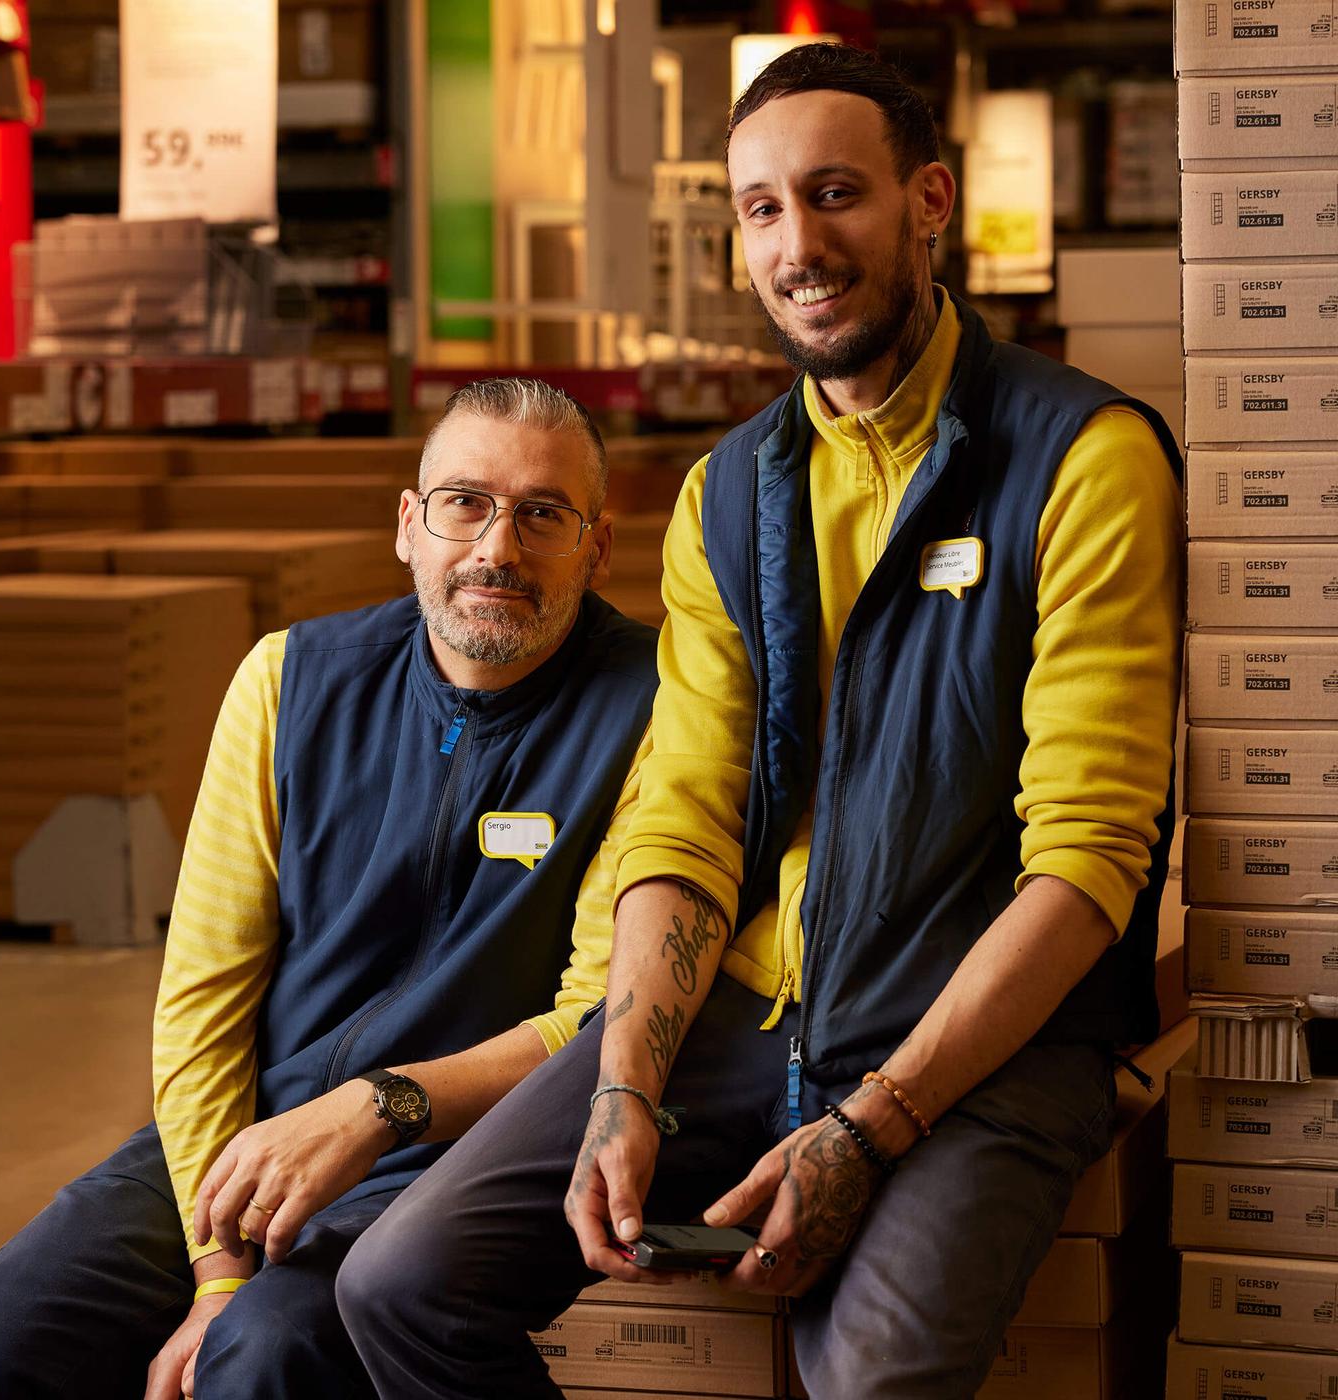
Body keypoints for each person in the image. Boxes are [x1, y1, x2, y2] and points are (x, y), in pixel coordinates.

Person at [335, 44, 1184, 1400]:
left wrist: (870, 1126)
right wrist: (623, 1084)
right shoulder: (729, 495)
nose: (801, 244)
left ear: (929, 202)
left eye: (836, 194)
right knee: (400, 1282)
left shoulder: (1081, 460)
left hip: (989, 1038)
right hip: (747, 1013)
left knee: (867, 1383)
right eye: (762, 208)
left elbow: (1089, 861)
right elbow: (684, 811)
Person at [0, 377, 658, 1400]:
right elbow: (201, 1002)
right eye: (464, 502)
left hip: (460, 1149)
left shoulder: (653, 709)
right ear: (408, 524)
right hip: (257, 1124)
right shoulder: (288, 680)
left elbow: (598, 1013)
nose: (496, 547)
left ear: (596, 548)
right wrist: (216, 1272)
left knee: (263, 1359)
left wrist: (381, 1105)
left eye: (543, 513)